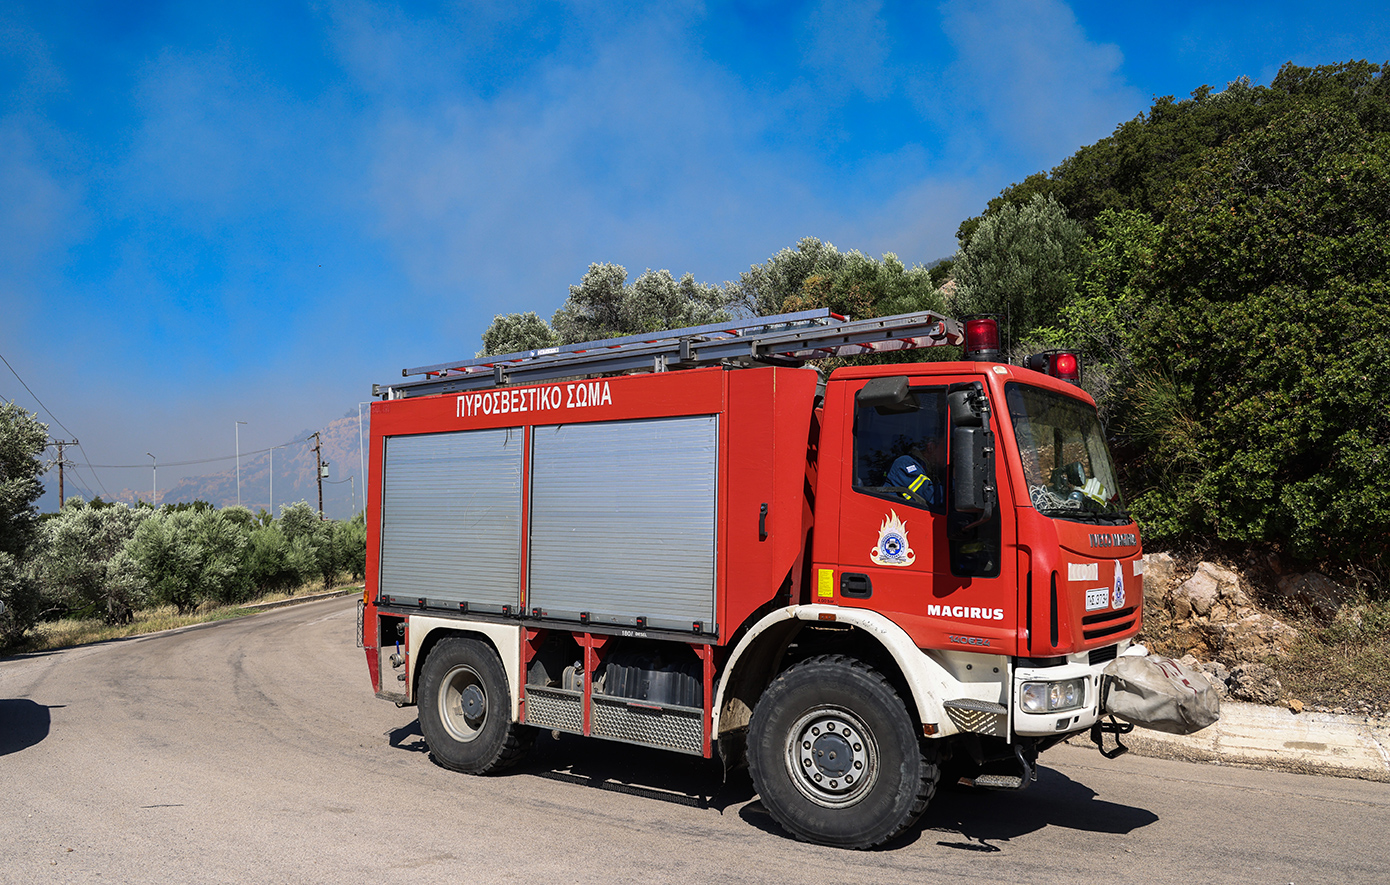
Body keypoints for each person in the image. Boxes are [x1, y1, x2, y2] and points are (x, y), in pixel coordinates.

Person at [885, 440, 944, 511]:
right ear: (931, 447)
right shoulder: (905, 463)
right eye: (944, 449)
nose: (949, 454)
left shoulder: (932, 473)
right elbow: (927, 498)